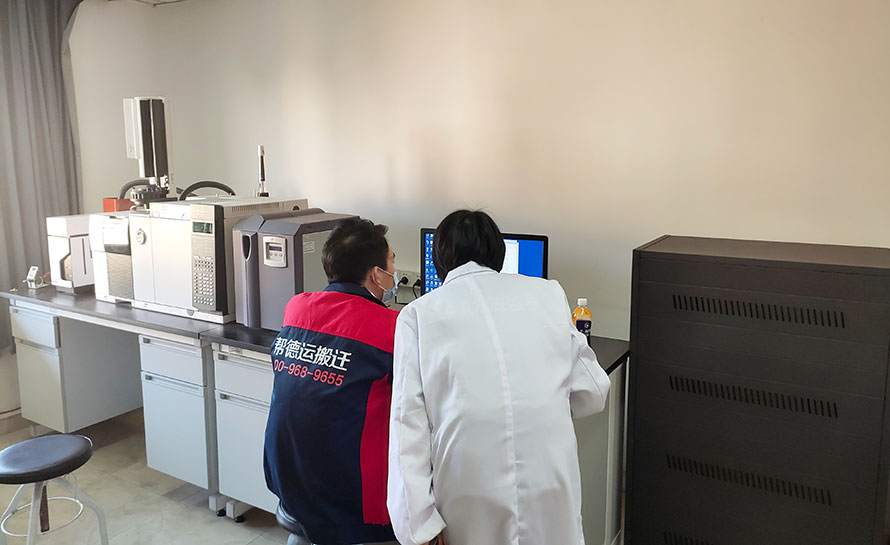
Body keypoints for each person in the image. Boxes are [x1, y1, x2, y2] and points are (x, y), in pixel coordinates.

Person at [387, 210, 611, 545]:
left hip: (468, 491)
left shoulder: (417, 315)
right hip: (548, 483)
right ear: (498, 253)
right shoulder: (548, 294)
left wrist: (419, 527)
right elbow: (593, 393)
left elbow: (408, 425)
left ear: (439, 261)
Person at [264, 217, 401, 545]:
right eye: (392, 261)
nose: (394, 270)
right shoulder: (392, 327)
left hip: (290, 486)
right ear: (376, 274)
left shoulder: (297, 307)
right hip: (351, 506)